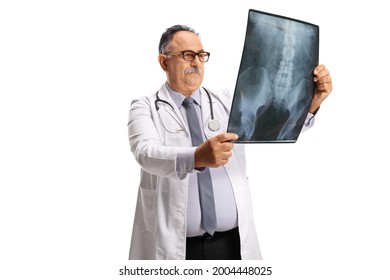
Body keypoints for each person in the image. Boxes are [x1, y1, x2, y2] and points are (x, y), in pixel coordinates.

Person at [127, 25, 332, 260]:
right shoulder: (144, 107)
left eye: (201, 55)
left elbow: (276, 126)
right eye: (187, 55)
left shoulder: (227, 101)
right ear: (164, 62)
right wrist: (197, 157)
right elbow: (145, 152)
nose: (196, 62)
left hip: (232, 246)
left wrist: (313, 102)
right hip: (177, 249)